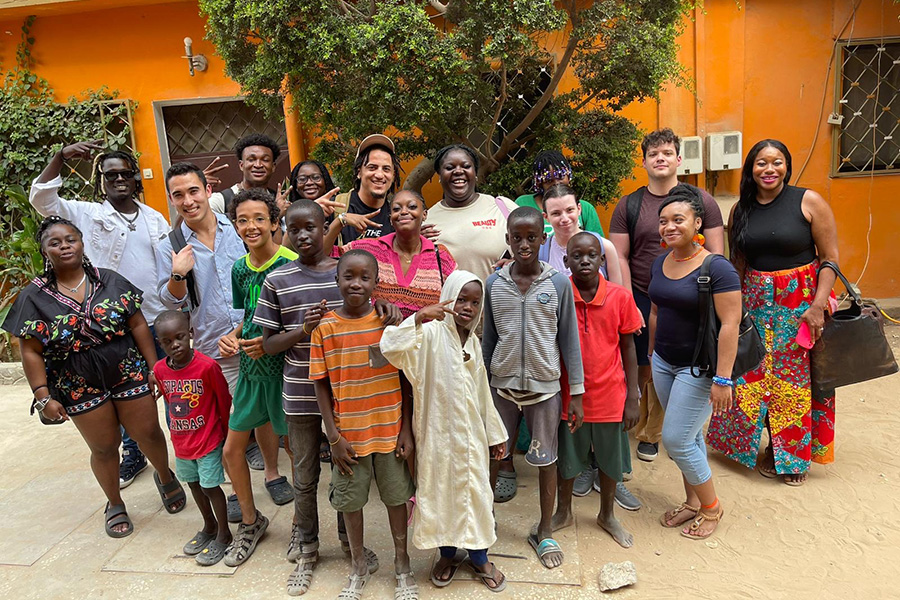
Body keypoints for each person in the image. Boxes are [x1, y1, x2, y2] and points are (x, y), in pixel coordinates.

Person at [2, 216, 185, 538]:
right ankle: (114, 502)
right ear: (45, 251)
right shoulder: (34, 296)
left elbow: (139, 324)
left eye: (70, 239)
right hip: (76, 382)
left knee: (149, 433)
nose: (64, 246)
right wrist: (42, 395)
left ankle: (165, 475)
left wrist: (155, 367)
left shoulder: (109, 280)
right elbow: (29, 349)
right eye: (55, 242)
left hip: (127, 370)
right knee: (104, 446)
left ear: (81, 242)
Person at [255, 201, 399, 595]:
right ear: (284, 230)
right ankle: (306, 547)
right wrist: (302, 330)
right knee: (304, 475)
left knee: (345, 470)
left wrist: (388, 308)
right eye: (294, 229)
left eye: (311, 228)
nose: (303, 236)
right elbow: (268, 345)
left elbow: (373, 307)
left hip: (351, 397)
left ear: (326, 228)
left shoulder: (347, 270)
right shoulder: (278, 280)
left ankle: (348, 543)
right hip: (303, 394)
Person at [30, 140, 170, 489]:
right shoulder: (86, 214)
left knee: (168, 386)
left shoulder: (153, 217)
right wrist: (60, 157)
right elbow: (41, 199)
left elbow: (166, 265)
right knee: (120, 391)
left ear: (136, 179)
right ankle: (133, 455)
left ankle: (181, 450)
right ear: (102, 181)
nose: (119, 179)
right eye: (111, 175)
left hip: (153, 318)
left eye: (125, 174)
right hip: (111, 328)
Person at [707, 139, 839, 486]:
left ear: (787, 166)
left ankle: (792, 457)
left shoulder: (808, 201)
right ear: (751, 168)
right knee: (751, 373)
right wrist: (729, 308)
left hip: (800, 304)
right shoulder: (740, 210)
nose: (770, 169)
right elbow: (737, 264)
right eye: (762, 163)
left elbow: (830, 259)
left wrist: (817, 306)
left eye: (777, 162)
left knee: (793, 380)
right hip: (753, 302)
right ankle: (757, 445)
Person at [380, 270, 509, 592]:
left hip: (472, 440)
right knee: (439, 495)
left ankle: (480, 557)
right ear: (448, 297)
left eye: (474, 302)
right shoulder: (429, 335)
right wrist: (419, 317)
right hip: (436, 436)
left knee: (476, 494)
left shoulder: (475, 343)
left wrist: (496, 434)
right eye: (461, 299)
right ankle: (447, 554)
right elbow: (390, 346)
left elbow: (481, 391)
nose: (467, 307)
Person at [609, 128, 725, 463]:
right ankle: (648, 422)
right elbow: (620, 257)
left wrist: (712, 300)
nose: (660, 158)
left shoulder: (702, 201)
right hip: (644, 293)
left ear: (678, 159)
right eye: (653, 154)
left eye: (666, 153)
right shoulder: (629, 204)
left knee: (682, 360)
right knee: (646, 363)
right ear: (644, 161)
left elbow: (716, 254)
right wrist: (627, 297)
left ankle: (657, 432)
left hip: (691, 298)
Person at [310, 250, 416, 600]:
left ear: (376, 282)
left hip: (388, 431)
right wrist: (333, 435)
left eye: (364, 277)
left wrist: (405, 429)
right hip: (348, 437)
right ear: (337, 280)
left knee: (396, 498)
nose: (356, 283)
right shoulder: (325, 329)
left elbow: (404, 377)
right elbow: (321, 384)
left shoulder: (388, 324)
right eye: (348, 277)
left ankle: (402, 564)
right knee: (351, 503)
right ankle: (357, 565)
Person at [484, 207, 584, 570]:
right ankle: (486, 522)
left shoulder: (558, 284)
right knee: (494, 456)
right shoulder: (494, 285)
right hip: (502, 388)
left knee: (546, 461)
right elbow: (488, 340)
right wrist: (483, 389)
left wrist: (577, 394)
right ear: (507, 239)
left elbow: (569, 340)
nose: (524, 244)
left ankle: (544, 529)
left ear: (543, 240)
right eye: (517, 237)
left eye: (531, 237)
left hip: (545, 390)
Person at [537, 183, 641, 509]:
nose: (564, 217)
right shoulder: (554, 277)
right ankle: (571, 497)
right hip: (568, 381)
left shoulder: (611, 273)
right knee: (570, 449)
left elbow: (626, 338)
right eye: (556, 212)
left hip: (609, 378)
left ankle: (607, 500)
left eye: (569, 209)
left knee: (611, 446)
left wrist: (633, 395)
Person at [647, 185, 741, 540]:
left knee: (676, 439)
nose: (669, 226)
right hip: (664, 362)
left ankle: (712, 507)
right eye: (663, 221)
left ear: (697, 222)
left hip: (699, 368)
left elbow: (730, 324)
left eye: (678, 219)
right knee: (689, 436)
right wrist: (653, 353)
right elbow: (656, 310)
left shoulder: (717, 268)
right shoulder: (661, 261)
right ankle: (692, 502)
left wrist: (723, 379)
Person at [216, 188, 298, 565]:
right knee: (232, 450)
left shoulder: (291, 264)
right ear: (235, 225)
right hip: (250, 372)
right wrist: (230, 339)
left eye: (259, 219)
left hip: (286, 372)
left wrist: (269, 345)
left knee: (297, 449)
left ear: (274, 222)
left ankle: (304, 524)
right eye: (243, 220)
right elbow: (245, 318)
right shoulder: (238, 268)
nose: (251, 226)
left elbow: (301, 326)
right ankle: (251, 521)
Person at [551, 232, 642, 548]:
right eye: (577, 256)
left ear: (603, 260)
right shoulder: (558, 295)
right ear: (566, 261)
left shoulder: (619, 297)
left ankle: (607, 514)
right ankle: (563, 511)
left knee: (610, 460)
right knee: (568, 459)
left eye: (592, 255)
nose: (585, 261)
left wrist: (633, 395)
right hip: (569, 397)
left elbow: (629, 348)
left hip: (610, 395)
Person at [153, 310, 233, 566]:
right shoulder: (159, 370)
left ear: (190, 334)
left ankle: (224, 532)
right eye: (167, 342)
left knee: (210, 486)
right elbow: (169, 402)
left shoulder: (207, 366)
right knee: (194, 484)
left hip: (208, 439)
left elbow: (223, 401)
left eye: (179, 337)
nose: (174, 345)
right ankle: (208, 526)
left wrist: (225, 434)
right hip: (182, 442)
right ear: (160, 343)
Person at [331, 190, 456, 319]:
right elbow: (323, 255)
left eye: (412, 207)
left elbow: (458, 297)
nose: (404, 212)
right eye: (396, 209)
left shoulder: (440, 256)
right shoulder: (371, 248)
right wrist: (340, 221)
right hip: (378, 338)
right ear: (390, 219)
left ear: (424, 214)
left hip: (427, 338)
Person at [425, 144, 519, 284]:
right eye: (449, 168)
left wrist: (518, 264)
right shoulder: (427, 219)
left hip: (501, 305)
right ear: (439, 175)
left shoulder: (503, 207)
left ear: (475, 173)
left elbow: (537, 249)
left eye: (466, 166)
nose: (458, 171)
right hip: (448, 305)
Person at [325, 134, 402, 245]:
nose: (380, 175)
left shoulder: (396, 215)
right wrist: (340, 221)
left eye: (386, 169)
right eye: (372, 168)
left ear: (393, 175)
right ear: (359, 172)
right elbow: (314, 254)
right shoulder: (334, 207)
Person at [515, 149, 605, 235]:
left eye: (560, 177)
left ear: (568, 175)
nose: (557, 183)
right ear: (539, 183)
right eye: (549, 180)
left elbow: (598, 245)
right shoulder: (523, 204)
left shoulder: (586, 208)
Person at [208, 133, 284, 214]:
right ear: (241, 165)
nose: (258, 165)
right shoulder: (220, 201)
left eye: (265, 160)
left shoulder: (279, 202)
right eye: (251, 160)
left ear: (273, 167)